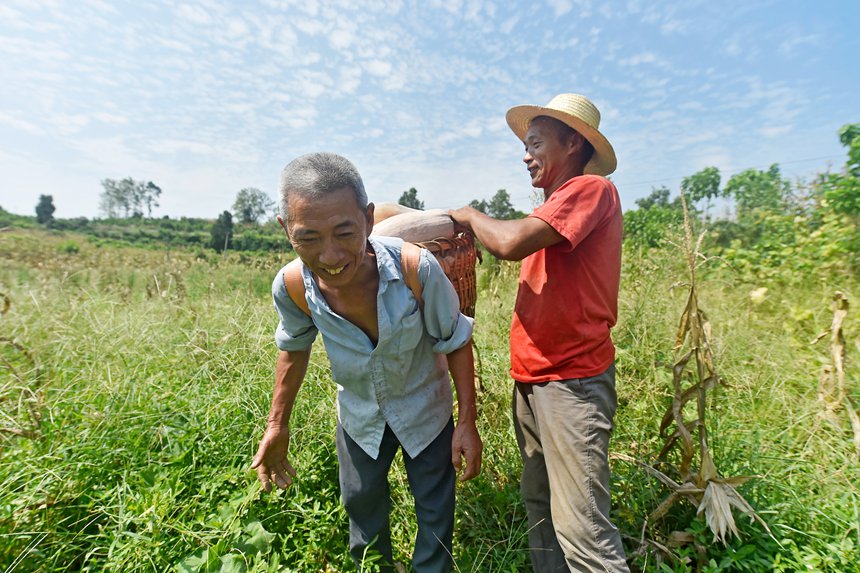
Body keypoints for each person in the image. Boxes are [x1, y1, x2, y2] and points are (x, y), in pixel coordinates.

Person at [251, 152, 482, 573]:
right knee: (361, 507)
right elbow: (294, 348)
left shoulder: (415, 269)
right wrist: (277, 425)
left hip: (425, 410)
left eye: (344, 232)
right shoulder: (291, 286)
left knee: (435, 508)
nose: (331, 255)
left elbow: (455, 341)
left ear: (369, 219)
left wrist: (466, 420)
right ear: (286, 230)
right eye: (309, 238)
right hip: (359, 417)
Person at [449, 94, 629, 572]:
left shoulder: (591, 189)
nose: (525, 155)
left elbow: (508, 242)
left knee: (584, 533)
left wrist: (469, 215)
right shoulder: (551, 208)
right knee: (542, 511)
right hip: (534, 380)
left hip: (572, 384)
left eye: (535, 143)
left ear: (573, 142)